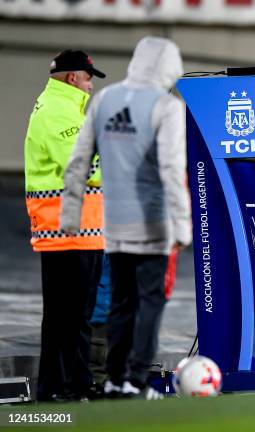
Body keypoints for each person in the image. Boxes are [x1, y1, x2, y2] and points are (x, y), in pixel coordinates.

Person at [61, 36, 191, 397]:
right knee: (150, 302)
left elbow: (77, 163)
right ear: (169, 67)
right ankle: (135, 379)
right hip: (154, 225)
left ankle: (115, 377)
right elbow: (170, 169)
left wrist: (69, 217)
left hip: (114, 225)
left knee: (121, 302)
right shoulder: (167, 107)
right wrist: (182, 225)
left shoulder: (103, 99)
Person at [23, 49, 106, 402]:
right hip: (65, 231)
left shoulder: (62, 109)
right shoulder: (59, 112)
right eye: (88, 78)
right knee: (68, 317)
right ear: (73, 78)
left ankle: (67, 384)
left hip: (77, 231)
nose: (90, 86)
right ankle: (65, 387)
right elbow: (84, 169)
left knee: (71, 316)